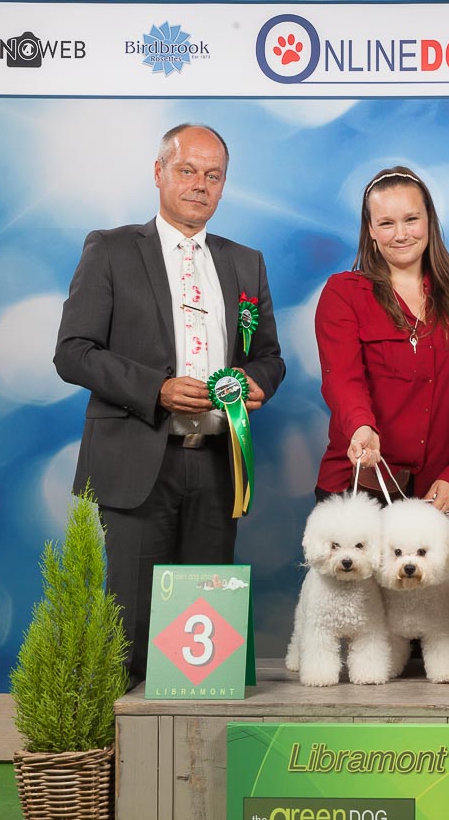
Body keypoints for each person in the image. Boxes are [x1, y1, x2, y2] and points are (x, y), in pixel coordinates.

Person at [54, 123, 285, 679]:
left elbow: (269, 358)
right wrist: (155, 390)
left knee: (206, 628)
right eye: (187, 170)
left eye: (213, 175)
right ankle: (128, 734)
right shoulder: (110, 248)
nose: (200, 184)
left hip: (219, 464)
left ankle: (201, 734)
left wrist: (256, 382)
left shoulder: (245, 261)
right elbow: (73, 352)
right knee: (132, 623)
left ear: (224, 186)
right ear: (158, 173)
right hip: (137, 460)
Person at [314, 166, 449, 512]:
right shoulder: (343, 293)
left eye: (411, 219)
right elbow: (341, 377)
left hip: (438, 491)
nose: (401, 234)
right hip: (358, 485)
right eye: (386, 223)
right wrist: (361, 426)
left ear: (429, 221)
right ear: (371, 230)